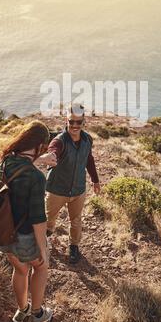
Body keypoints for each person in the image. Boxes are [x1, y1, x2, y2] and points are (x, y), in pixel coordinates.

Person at [0, 120, 57, 322]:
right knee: (41, 268)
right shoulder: (36, 178)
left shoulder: (5, 161)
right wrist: (43, 249)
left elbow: (19, 178)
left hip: (3, 232)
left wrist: (38, 161)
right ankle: (37, 316)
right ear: (38, 147)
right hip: (25, 237)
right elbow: (38, 220)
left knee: (20, 270)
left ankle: (21, 311)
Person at [45, 103, 101, 264]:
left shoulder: (87, 139)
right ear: (66, 120)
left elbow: (88, 159)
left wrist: (95, 180)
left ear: (84, 121)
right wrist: (51, 157)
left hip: (78, 190)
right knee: (48, 219)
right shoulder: (59, 141)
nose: (74, 126)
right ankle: (44, 237)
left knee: (76, 220)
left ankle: (74, 247)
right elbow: (53, 150)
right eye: (71, 122)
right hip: (57, 190)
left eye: (78, 122)